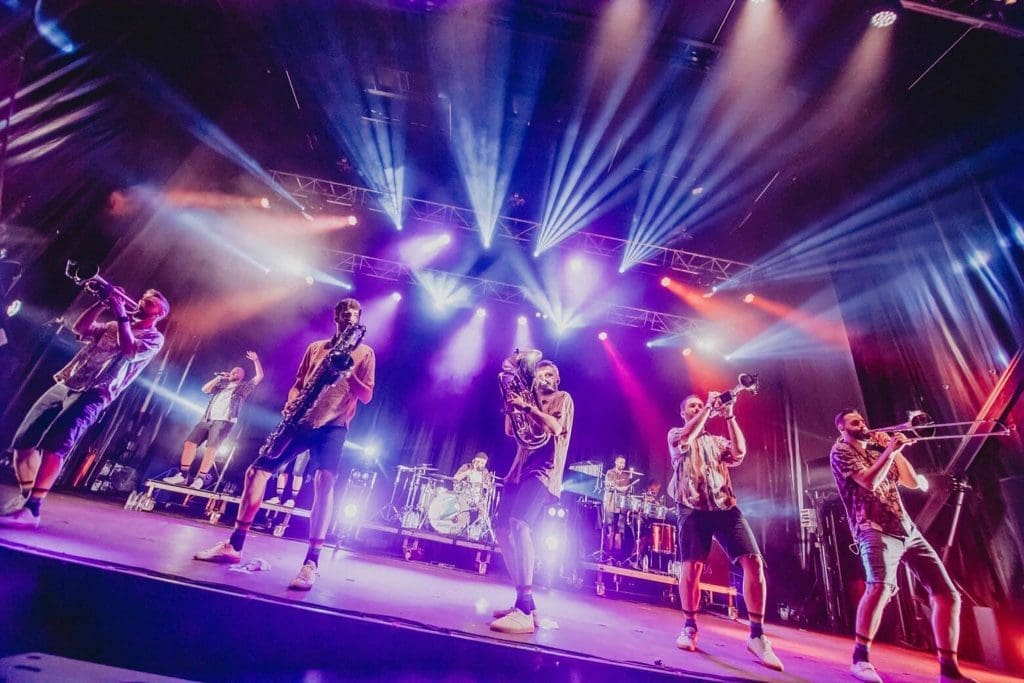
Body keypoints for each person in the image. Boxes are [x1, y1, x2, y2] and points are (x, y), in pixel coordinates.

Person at [193, 298, 375, 591]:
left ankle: (311, 563)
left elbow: (366, 396)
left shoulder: (365, 353)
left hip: (333, 426)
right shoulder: (316, 348)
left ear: (359, 321)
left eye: (353, 316)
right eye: (343, 315)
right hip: (300, 421)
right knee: (255, 473)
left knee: (324, 482)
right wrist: (292, 403)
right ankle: (234, 545)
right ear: (336, 318)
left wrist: (348, 371)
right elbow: (298, 384)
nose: (347, 319)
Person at [0, 287, 169, 528]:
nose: (141, 302)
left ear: (159, 313)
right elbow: (80, 329)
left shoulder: (154, 338)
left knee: (55, 445)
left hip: (96, 392)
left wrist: (121, 313)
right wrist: (101, 303)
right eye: (142, 298)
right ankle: (27, 498)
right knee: (23, 441)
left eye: (149, 302)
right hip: (68, 381)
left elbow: (129, 351)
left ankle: (32, 508)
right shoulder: (113, 324)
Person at [831, 409, 975, 683]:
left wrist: (894, 450)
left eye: (862, 420)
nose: (862, 424)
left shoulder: (876, 451)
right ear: (842, 428)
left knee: (947, 595)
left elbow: (910, 482)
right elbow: (869, 482)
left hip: (906, 529)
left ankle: (949, 670)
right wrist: (890, 451)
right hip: (873, 528)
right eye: (855, 422)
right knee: (879, 587)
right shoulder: (841, 452)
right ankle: (860, 660)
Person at [667, 392, 783, 671]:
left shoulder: (717, 441)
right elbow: (686, 437)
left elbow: (739, 453)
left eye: (700, 404)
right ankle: (689, 627)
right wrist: (708, 407)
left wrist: (729, 414)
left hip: (725, 507)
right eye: (692, 406)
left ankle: (757, 636)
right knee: (692, 568)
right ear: (683, 413)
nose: (698, 407)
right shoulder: (676, 433)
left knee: (754, 562)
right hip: (691, 507)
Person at [490, 358, 574, 635]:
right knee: (502, 530)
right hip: (518, 469)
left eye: (550, 375)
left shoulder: (562, 398)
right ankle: (526, 603)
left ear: (557, 380)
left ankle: (524, 611)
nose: (544, 378)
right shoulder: (529, 399)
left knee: (519, 523)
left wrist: (526, 407)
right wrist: (511, 403)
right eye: (540, 374)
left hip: (543, 469)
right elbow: (509, 431)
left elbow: (555, 428)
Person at [163, 351, 263, 489]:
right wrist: (219, 378)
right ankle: (183, 476)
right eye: (232, 371)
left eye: (237, 372)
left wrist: (256, 360)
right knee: (189, 444)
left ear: (242, 376)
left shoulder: (243, 388)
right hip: (207, 419)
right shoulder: (221, 386)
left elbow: (259, 377)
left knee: (211, 449)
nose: (233, 373)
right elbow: (205, 389)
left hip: (224, 421)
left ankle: (200, 479)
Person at [602, 455, 633, 556]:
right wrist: (620, 489)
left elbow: (628, 492)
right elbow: (608, 486)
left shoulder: (626, 476)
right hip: (611, 505)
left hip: (621, 508)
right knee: (610, 530)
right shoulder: (610, 473)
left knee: (619, 531)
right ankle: (607, 554)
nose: (622, 465)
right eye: (620, 462)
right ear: (616, 462)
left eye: (623, 463)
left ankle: (616, 556)